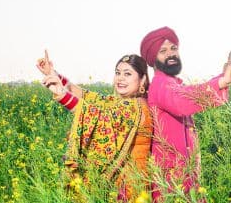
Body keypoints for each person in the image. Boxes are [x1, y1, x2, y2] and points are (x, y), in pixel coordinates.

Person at [140, 26, 231, 201]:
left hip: (185, 178)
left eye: (173, 48)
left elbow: (188, 94)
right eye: (163, 51)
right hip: (172, 183)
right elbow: (183, 101)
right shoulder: (160, 85)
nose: (171, 54)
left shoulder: (172, 83)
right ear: (153, 59)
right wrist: (222, 81)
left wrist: (224, 78)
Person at [36, 51, 153, 202]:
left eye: (127, 74)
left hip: (130, 188)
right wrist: (54, 75)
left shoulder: (135, 107)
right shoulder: (123, 102)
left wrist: (60, 93)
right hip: (120, 186)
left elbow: (97, 116)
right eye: (117, 73)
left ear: (142, 80)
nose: (120, 78)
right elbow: (88, 97)